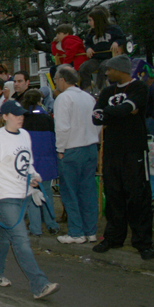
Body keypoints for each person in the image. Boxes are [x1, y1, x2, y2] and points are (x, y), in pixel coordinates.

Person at [0, 100, 60, 300]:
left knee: (5, 236)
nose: (20, 118)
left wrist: (34, 176)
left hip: (22, 194)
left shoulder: (25, 135)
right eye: (16, 115)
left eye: (22, 115)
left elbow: (28, 162)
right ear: (5, 116)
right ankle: (39, 284)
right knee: (21, 239)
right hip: (3, 197)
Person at [91, 54, 154, 260]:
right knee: (114, 194)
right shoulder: (108, 91)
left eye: (109, 69)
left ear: (121, 70)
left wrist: (111, 112)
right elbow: (96, 117)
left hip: (134, 150)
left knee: (137, 196)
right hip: (111, 151)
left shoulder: (139, 88)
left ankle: (143, 242)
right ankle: (113, 237)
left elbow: (128, 108)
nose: (107, 73)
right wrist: (116, 112)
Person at [53, 65, 101, 244]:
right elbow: (98, 122)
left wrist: (60, 149)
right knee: (88, 191)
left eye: (56, 79)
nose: (55, 82)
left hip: (72, 149)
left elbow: (62, 127)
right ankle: (90, 231)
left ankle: (76, 232)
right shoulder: (88, 98)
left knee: (70, 192)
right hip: (90, 147)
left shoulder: (63, 98)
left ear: (63, 80)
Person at [20, 90, 61, 237]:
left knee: (31, 196)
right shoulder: (47, 118)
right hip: (46, 162)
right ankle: (52, 224)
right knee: (47, 193)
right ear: (40, 101)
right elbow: (53, 141)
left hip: (30, 163)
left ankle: (36, 228)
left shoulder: (23, 119)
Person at [79, 5, 127, 92]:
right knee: (83, 67)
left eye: (90, 20)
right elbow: (87, 43)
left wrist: (116, 42)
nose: (88, 23)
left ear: (97, 20)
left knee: (103, 68)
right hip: (96, 58)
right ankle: (87, 89)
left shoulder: (113, 29)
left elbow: (122, 38)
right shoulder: (91, 33)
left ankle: (99, 89)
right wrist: (88, 49)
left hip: (109, 57)